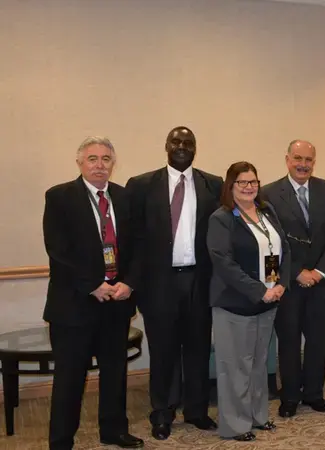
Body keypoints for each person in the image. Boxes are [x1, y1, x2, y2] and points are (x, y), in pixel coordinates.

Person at [43, 136, 143, 449]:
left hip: (116, 302)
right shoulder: (60, 197)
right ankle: (61, 440)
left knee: (115, 374)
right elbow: (58, 251)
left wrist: (130, 282)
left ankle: (114, 430)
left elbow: (140, 246)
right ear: (80, 163)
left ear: (114, 164)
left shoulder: (125, 197)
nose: (100, 165)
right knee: (70, 380)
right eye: (92, 159)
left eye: (106, 159)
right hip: (75, 305)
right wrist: (92, 285)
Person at [125, 126, 222, 439]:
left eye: (188, 142)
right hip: (159, 284)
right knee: (163, 350)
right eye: (176, 141)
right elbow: (131, 239)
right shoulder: (141, 186)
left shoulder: (213, 184)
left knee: (197, 348)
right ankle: (162, 413)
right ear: (166, 146)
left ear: (196, 148)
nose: (182, 146)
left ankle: (196, 410)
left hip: (200, 280)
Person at [207, 161, 291, 441]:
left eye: (253, 181)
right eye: (242, 182)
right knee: (235, 367)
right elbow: (224, 263)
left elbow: (284, 250)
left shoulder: (267, 211)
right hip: (235, 303)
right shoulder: (221, 218)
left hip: (268, 301)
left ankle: (258, 416)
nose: (248, 187)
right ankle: (235, 425)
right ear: (230, 187)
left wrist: (281, 284)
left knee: (258, 363)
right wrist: (259, 290)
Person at [263, 140, 325, 417]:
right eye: (298, 158)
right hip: (288, 283)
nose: (303, 164)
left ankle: (314, 394)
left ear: (314, 161)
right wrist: (296, 272)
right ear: (287, 159)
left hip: (321, 282)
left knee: (318, 341)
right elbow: (270, 241)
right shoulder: (269, 193)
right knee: (288, 341)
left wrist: (319, 271)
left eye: (309, 159)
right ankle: (289, 397)